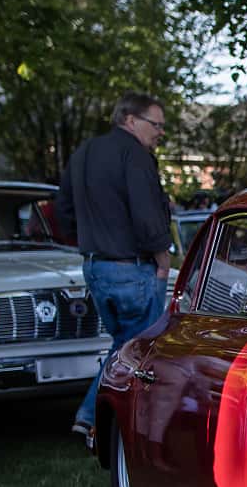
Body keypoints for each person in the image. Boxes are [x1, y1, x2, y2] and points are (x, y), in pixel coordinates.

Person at [58, 91, 174, 449]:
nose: (160, 133)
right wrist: (163, 257)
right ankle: (92, 416)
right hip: (131, 269)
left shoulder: (83, 153)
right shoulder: (135, 154)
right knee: (137, 348)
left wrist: (90, 241)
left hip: (95, 267)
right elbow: (146, 212)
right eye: (156, 124)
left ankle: (103, 419)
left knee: (124, 343)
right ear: (130, 120)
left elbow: (63, 210)